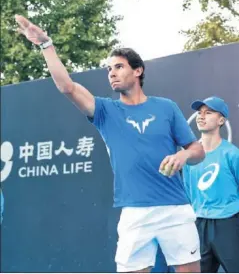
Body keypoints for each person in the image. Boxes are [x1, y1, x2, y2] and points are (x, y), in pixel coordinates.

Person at [15, 14, 205, 273]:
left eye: (118, 67)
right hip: (134, 213)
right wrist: (46, 45)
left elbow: (197, 150)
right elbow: (67, 87)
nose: (112, 73)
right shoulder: (105, 111)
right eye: (109, 69)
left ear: (138, 71)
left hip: (175, 208)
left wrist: (182, 157)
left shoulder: (166, 108)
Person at [183, 96, 239, 273]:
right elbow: (189, 194)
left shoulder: (233, 155)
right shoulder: (190, 157)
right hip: (199, 226)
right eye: (199, 113)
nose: (201, 116)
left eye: (208, 112)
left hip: (229, 226)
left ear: (221, 120)